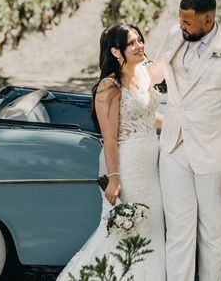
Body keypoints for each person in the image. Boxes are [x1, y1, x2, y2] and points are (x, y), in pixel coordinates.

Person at [159, 0, 221, 281]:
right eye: (180, 20)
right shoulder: (174, 37)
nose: (182, 26)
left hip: (213, 156)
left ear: (208, 20)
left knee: (212, 234)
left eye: (188, 22)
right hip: (174, 148)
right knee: (178, 231)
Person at [57, 23, 166, 280]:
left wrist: (181, 123)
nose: (140, 46)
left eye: (140, 39)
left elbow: (148, 117)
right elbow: (110, 138)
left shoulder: (141, 72)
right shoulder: (110, 87)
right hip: (127, 168)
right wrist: (114, 179)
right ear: (117, 52)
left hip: (151, 167)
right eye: (132, 43)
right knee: (128, 229)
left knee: (152, 227)